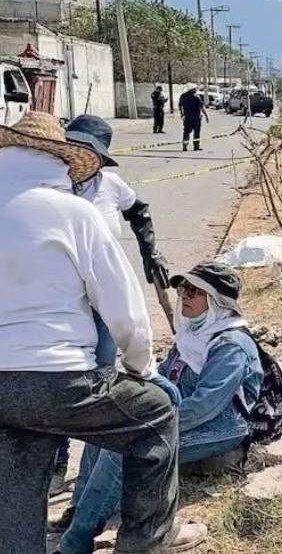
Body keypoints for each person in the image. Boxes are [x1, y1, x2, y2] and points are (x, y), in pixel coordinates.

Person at [0, 111, 203, 553]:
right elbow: (125, 310)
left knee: (16, 487)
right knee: (156, 415)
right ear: (57, 159)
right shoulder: (74, 212)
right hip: (61, 378)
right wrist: (141, 368)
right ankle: (144, 544)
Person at [57, 261, 260, 554]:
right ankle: (79, 512)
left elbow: (206, 406)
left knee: (126, 447)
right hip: (177, 414)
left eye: (194, 290)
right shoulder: (192, 333)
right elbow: (164, 378)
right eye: (182, 288)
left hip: (221, 426)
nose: (184, 295)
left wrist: (153, 424)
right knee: (105, 426)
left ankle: (77, 541)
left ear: (216, 301)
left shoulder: (232, 345)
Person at [41, 114, 172, 496]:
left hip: (103, 299)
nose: (79, 157)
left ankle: (90, 473)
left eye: (88, 151)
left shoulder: (111, 186)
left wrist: (151, 254)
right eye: (74, 148)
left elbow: (139, 211)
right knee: (62, 377)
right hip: (63, 300)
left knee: (99, 376)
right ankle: (57, 458)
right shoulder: (50, 187)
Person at [179, 85, 208, 152]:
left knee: (186, 133)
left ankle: (185, 146)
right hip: (196, 118)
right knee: (196, 133)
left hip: (187, 118)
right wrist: (206, 115)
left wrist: (182, 114)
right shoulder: (197, 97)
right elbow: (201, 107)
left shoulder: (183, 96)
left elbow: (180, 106)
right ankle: (196, 146)